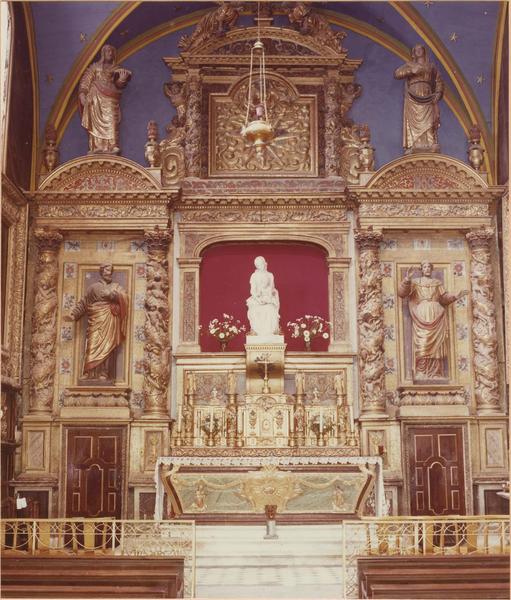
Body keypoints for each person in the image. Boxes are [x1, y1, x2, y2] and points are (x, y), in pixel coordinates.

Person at [398, 261, 467, 381]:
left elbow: (444, 299)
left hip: (437, 314)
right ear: (421, 269)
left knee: (437, 345)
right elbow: (402, 293)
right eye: (424, 267)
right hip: (422, 315)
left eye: (429, 267)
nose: (427, 269)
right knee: (423, 343)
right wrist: (407, 279)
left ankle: (436, 373)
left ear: (431, 269)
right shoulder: (415, 282)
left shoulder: (437, 283)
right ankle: (421, 372)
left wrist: (456, 296)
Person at [67, 263, 128, 380]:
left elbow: (125, 298)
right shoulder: (93, 287)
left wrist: (113, 295)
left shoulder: (116, 287)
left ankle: (104, 373)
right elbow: (84, 303)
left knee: (108, 346)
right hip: (96, 319)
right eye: (106, 270)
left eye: (110, 270)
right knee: (91, 344)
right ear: (101, 272)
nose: (108, 272)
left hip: (109, 320)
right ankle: (88, 372)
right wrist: (74, 315)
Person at [79, 44, 131, 154]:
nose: (110, 53)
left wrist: (122, 79)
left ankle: (112, 145)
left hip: (110, 98)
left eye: (112, 51)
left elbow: (118, 85)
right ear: (103, 53)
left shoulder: (116, 69)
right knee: (95, 123)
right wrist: (82, 95)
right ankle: (96, 146)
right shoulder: (95, 67)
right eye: (107, 51)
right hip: (95, 98)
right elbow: (85, 82)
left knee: (112, 118)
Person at [394, 44, 444, 154]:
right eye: (416, 50)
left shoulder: (431, 66)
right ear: (414, 53)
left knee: (430, 120)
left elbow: (438, 81)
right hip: (413, 96)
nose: (418, 51)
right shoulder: (410, 65)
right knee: (414, 120)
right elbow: (397, 74)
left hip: (427, 95)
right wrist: (411, 71)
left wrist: (438, 93)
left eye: (420, 49)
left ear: (424, 51)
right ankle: (413, 144)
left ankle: (431, 143)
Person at [246, 256, 280, 336]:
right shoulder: (254, 276)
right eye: (257, 265)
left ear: (264, 263)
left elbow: (272, 288)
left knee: (270, 309)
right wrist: (258, 300)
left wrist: (268, 293)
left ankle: (270, 333)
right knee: (255, 310)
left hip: (268, 297)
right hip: (257, 298)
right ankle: (257, 332)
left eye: (261, 264)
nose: (260, 266)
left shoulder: (270, 275)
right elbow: (252, 291)